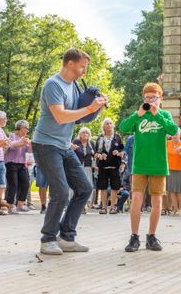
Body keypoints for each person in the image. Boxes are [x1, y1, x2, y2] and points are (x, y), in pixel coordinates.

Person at [32, 48, 105, 256]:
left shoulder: (73, 85)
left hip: (64, 146)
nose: (84, 71)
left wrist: (96, 106)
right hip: (46, 145)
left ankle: (66, 237)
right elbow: (61, 117)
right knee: (61, 193)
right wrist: (90, 108)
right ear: (70, 63)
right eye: (82, 66)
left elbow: (79, 118)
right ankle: (47, 240)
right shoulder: (52, 84)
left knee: (84, 188)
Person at [119, 82, 178, 252]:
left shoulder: (164, 114)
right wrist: (138, 114)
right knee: (136, 200)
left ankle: (151, 236)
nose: (150, 100)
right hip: (139, 165)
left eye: (154, 97)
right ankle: (134, 236)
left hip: (159, 165)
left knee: (157, 202)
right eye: (147, 97)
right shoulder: (139, 116)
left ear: (160, 99)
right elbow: (123, 127)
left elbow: (173, 130)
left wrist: (157, 114)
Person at [94, 118, 125, 214]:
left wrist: (119, 153)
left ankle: (112, 208)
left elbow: (123, 151)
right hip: (103, 166)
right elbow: (95, 153)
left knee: (115, 187)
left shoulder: (117, 137)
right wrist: (99, 155)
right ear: (103, 126)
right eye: (107, 124)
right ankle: (103, 208)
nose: (109, 125)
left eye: (111, 123)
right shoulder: (100, 138)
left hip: (114, 166)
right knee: (102, 187)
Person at [4, 120, 32, 214]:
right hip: (11, 162)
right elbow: (11, 146)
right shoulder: (12, 136)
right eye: (26, 128)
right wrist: (21, 142)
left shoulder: (25, 138)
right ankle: (11, 206)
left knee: (26, 184)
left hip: (21, 163)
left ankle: (20, 205)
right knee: (13, 184)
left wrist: (31, 144)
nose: (27, 130)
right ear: (20, 128)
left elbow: (29, 150)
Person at [71, 127, 96, 210]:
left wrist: (97, 156)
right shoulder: (75, 142)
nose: (85, 134)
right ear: (80, 135)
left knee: (87, 186)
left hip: (87, 168)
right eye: (83, 133)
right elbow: (70, 152)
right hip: (77, 167)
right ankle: (76, 204)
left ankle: (84, 205)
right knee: (78, 186)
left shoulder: (91, 143)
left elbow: (94, 154)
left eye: (87, 133)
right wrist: (71, 148)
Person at [166, 132, 181, 216]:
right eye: (173, 134)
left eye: (176, 134)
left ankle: (180, 209)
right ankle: (175, 209)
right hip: (170, 169)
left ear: (179, 135)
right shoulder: (167, 143)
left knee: (180, 191)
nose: (174, 136)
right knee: (172, 191)